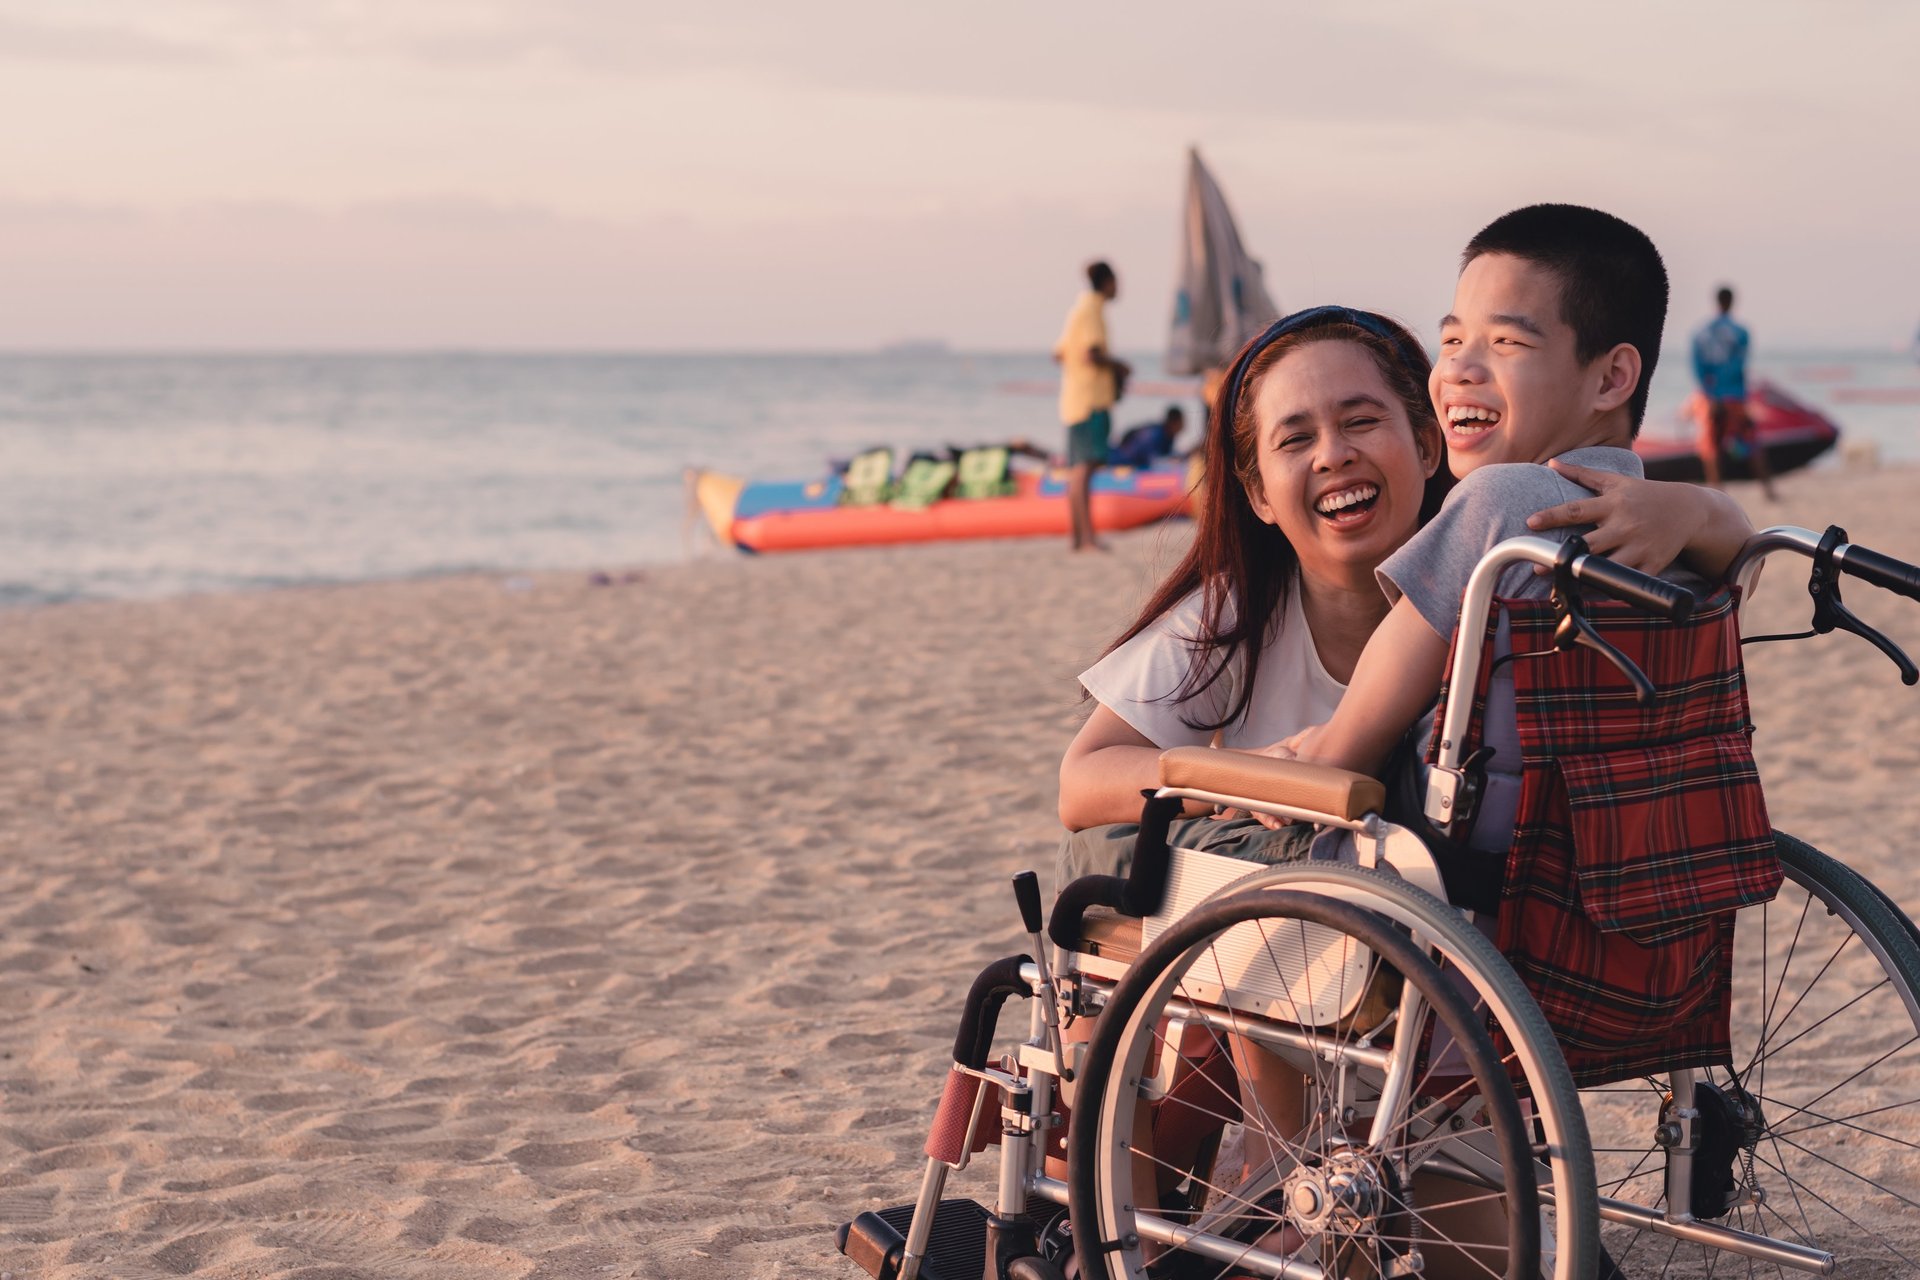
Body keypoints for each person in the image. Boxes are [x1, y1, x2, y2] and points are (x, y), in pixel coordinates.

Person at [1053, 261, 1130, 551]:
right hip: (1091, 400)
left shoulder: (1077, 310)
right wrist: (1120, 366)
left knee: (1077, 469)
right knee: (1084, 469)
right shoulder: (1093, 309)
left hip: (1074, 398)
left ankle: (1078, 537)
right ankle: (1086, 538)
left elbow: (1059, 354)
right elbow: (1091, 353)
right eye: (1116, 281)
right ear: (1107, 281)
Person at [1691, 285, 1775, 497]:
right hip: (1735, 397)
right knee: (1750, 442)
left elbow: (1698, 368)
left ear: (1716, 301)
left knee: (1712, 447)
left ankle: (1717, 492)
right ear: (1732, 302)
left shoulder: (1701, 333)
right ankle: (1768, 490)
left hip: (1712, 397)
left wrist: (1711, 394)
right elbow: (1739, 366)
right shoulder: (1741, 332)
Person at [1107, 406, 1185, 468]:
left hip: (1129, 463)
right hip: (1117, 461)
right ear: (1173, 422)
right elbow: (1153, 462)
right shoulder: (1155, 434)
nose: (1183, 426)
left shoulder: (1167, 435)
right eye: (1181, 422)